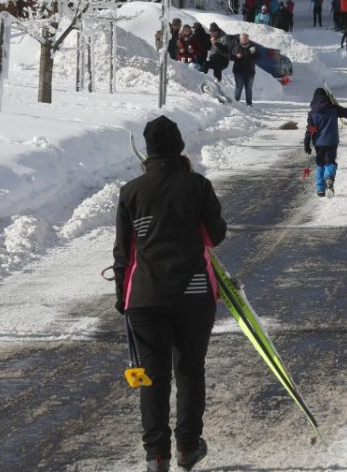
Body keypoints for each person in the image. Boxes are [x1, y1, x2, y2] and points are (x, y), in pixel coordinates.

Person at [113, 115, 227, 472]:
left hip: (145, 296)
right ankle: (188, 448)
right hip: (193, 294)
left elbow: (123, 252)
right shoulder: (197, 185)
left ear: (148, 151)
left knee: (153, 374)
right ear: (178, 147)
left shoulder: (130, 192)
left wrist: (122, 295)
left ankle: (156, 455)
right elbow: (215, 235)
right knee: (190, 369)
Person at [303, 87, 347, 197]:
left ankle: (320, 189)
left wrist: (307, 145)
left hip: (318, 143)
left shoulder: (312, 113)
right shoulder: (333, 108)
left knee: (320, 164)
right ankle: (329, 177)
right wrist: (338, 106)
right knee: (330, 162)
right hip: (331, 141)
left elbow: (310, 130)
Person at [230, 33, 258, 105]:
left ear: (248, 39)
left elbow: (258, 57)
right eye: (243, 38)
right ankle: (236, 103)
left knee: (249, 89)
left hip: (250, 72)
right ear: (240, 39)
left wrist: (254, 52)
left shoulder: (252, 47)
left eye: (246, 38)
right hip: (239, 72)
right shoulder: (236, 47)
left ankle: (249, 104)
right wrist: (236, 56)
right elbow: (231, 57)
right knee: (239, 88)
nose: (244, 39)